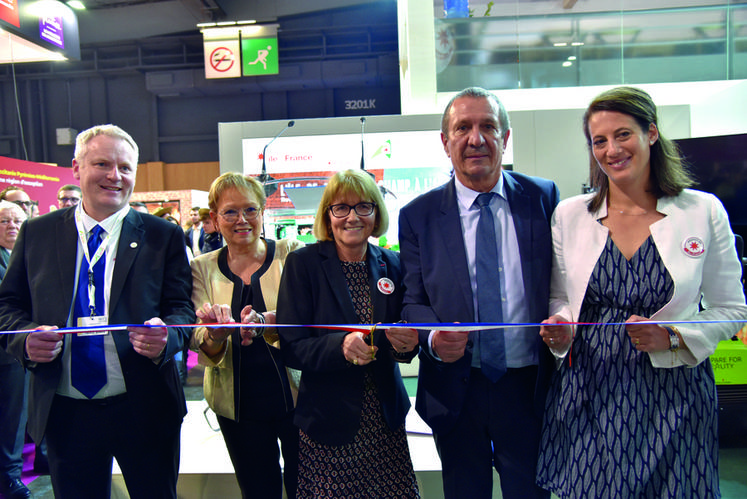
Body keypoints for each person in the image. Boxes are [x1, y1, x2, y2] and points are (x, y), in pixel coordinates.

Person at [536, 86, 747, 498]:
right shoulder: (571, 215)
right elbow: (561, 298)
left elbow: (732, 308)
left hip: (675, 396)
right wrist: (560, 327)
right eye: (599, 140)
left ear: (651, 133)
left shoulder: (702, 211)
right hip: (591, 392)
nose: (611, 149)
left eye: (623, 134)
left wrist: (672, 335)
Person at [0, 124, 195, 499]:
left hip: (145, 405)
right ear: (76, 168)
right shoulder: (37, 233)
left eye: (125, 168)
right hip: (65, 409)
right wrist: (24, 339)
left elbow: (182, 309)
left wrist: (168, 336)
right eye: (102, 164)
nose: (114, 176)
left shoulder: (162, 235)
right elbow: (7, 306)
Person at [398, 86, 558, 499]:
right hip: (456, 390)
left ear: (505, 138)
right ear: (445, 141)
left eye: (489, 126)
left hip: (529, 388)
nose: (476, 138)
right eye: (463, 127)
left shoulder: (543, 198)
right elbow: (413, 300)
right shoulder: (418, 215)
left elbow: (562, 282)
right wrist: (433, 338)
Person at [277, 169, 420, 498]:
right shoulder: (304, 264)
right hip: (329, 420)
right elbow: (292, 346)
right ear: (328, 214)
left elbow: (402, 342)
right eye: (341, 207)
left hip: (385, 420)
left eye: (363, 207)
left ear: (376, 213)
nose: (352, 217)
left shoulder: (393, 264)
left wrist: (405, 346)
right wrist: (339, 346)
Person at [190, 172, 301, 499]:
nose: (242, 220)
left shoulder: (290, 253)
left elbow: (312, 320)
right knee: (257, 491)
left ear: (263, 213)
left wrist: (272, 323)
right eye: (230, 212)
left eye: (251, 210)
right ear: (214, 218)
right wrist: (215, 334)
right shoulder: (201, 267)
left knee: (306, 488)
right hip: (237, 405)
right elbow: (199, 339)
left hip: (297, 397)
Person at [0, 201, 30, 499]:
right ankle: (8, 477)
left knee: (16, 415)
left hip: (18, 352)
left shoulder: (25, 255)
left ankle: (10, 473)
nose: (12, 226)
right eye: (4, 221)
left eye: (17, 221)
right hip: (6, 351)